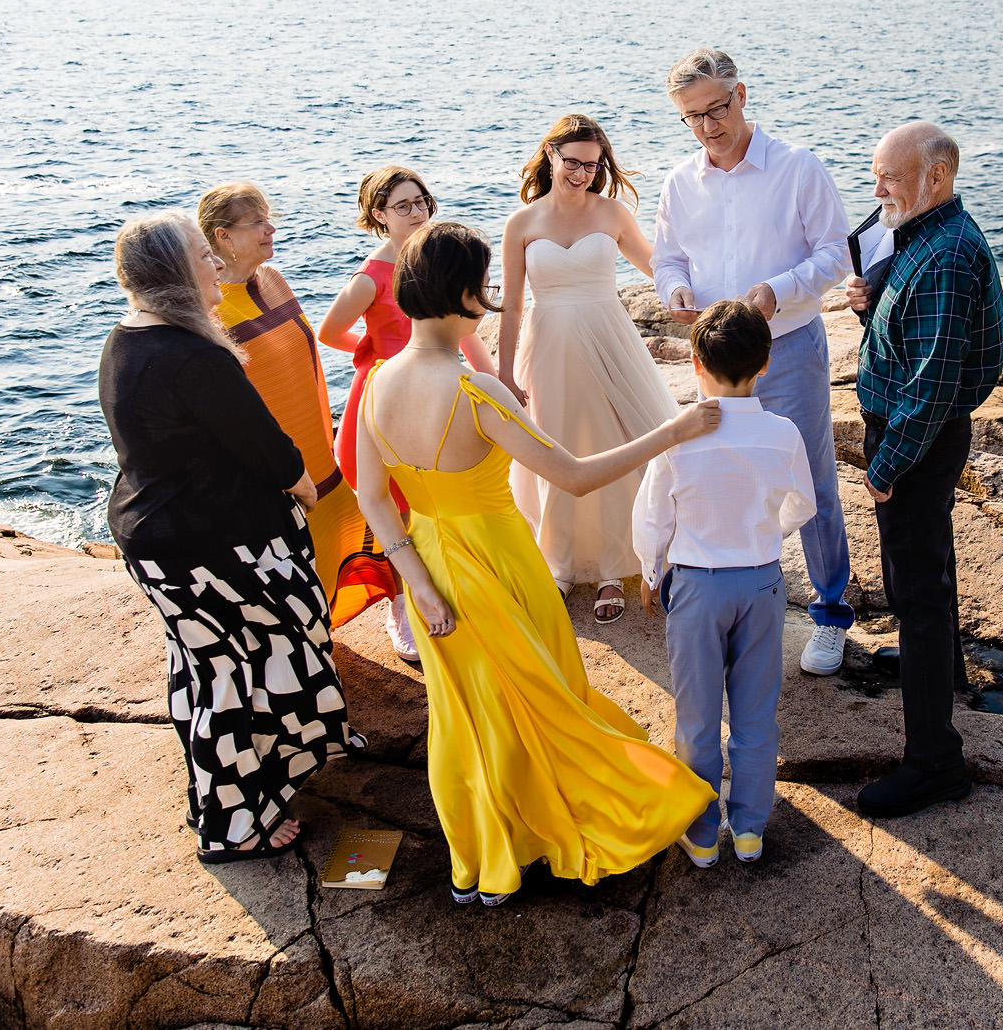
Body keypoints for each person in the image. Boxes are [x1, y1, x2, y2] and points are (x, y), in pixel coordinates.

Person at [351, 221, 720, 905]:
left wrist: (418, 583)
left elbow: (372, 497)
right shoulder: (474, 391)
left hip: (431, 559)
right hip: (497, 558)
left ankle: (489, 856)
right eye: (484, 284)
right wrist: (671, 431)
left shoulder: (375, 382)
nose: (488, 295)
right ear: (464, 294)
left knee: (467, 713)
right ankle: (542, 833)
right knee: (541, 700)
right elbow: (574, 475)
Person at [97, 212, 356, 861]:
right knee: (245, 668)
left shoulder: (127, 338)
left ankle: (231, 798)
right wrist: (303, 488)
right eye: (199, 256)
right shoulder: (193, 356)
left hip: (158, 538)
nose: (215, 266)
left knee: (210, 670)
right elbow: (268, 448)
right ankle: (235, 823)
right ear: (175, 275)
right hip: (209, 546)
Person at [654, 48, 854, 677]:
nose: (709, 124)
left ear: (742, 95)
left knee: (812, 475)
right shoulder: (679, 182)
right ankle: (737, 604)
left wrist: (779, 289)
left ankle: (830, 612)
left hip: (789, 345)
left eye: (717, 107)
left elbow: (836, 255)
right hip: (713, 351)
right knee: (719, 471)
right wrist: (675, 291)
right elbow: (668, 258)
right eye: (694, 116)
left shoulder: (798, 167)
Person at [842, 123, 1003, 819]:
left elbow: (933, 384)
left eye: (890, 176)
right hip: (925, 433)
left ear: (934, 177)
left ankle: (935, 761)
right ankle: (933, 662)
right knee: (926, 571)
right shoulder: (927, 234)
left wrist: (885, 464)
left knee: (918, 585)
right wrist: (872, 308)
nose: (876, 189)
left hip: (918, 437)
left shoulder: (942, 256)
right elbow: (918, 342)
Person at [634, 300, 814, 869]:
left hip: (697, 587)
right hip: (761, 585)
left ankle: (704, 833)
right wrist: (768, 531)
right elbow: (804, 504)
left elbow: (653, 516)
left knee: (697, 716)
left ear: (694, 363)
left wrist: (648, 571)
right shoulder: (783, 433)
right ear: (765, 363)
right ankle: (752, 829)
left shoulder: (681, 435)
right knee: (757, 716)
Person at [499, 114, 676, 623]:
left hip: (609, 341)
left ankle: (610, 568)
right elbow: (511, 305)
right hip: (549, 346)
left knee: (611, 446)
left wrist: (697, 287)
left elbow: (657, 266)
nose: (581, 174)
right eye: (572, 162)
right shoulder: (523, 223)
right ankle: (557, 563)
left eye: (592, 166)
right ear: (551, 154)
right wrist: (506, 374)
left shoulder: (613, 213)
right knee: (556, 448)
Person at [320, 166, 495, 661]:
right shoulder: (370, 277)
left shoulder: (433, 257)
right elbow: (329, 333)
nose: (417, 212)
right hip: (385, 398)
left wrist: (496, 378)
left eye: (421, 201)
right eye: (403, 206)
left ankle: (452, 582)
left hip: (436, 393)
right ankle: (401, 604)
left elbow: (468, 325)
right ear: (379, 214)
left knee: (438, 494)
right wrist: (376, 355)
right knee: (394, 508)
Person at [199, 181, 375, 630]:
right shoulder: (209, 311)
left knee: (340, 531)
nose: (269, 229)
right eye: (257, 222)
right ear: (224, 236)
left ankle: (320, 627)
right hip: (271, 465)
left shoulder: (272, 279)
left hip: (315, 445)